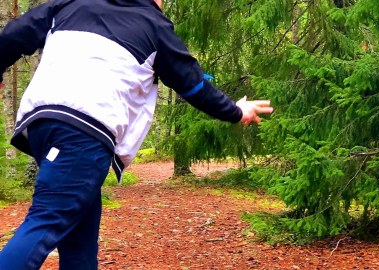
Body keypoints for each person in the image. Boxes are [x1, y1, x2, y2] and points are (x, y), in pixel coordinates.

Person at [0, 0, 273, 268]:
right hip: (85, 130)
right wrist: (236, 111)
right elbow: (194, 86)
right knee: (46, 221)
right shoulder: (152, 24)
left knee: (79, 236)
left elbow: (12, 36)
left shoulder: (70, 4)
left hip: (40, 123)